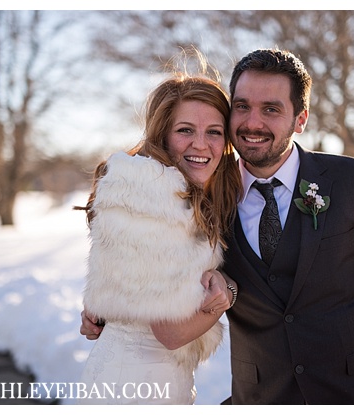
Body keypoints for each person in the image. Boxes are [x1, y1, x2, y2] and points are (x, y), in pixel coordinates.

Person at [82, 48, 354, 404]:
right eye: (243, 106)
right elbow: (152, 267)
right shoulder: (210, 194)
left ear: (301, 119)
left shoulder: (353, 182)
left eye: (271, 109)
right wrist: (110, 308)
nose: (253, 122)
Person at [76, 67, 242, 404]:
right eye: (185, 130)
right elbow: (172, 331)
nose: (201, 144)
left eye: (214, 131)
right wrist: (229, 293)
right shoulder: (150, 196)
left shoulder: (178, 194)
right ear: (162, 135)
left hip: (148, 378)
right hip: (137, 387)